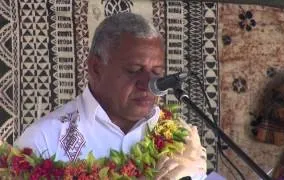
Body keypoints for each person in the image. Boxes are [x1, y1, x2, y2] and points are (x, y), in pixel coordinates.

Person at [15, 12, 207, 179]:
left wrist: (197, 172)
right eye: (134, 70)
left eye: (156, 72)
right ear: (96, 68)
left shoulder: (178, 136)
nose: (148, 84)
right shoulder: (44, 140)